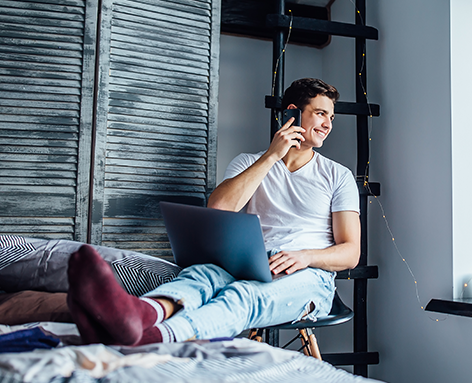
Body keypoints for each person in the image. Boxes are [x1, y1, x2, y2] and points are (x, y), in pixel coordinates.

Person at [67, 78, 360, 346]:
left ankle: (152, 338)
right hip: (253, 266)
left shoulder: (337, 175)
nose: (328, 124)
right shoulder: (250, 162)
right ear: (293, 113)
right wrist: (272, 156)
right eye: (321, 113)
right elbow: (220, 208)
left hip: (309, 275)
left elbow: (350, 253)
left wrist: (305, 256)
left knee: (244, 296)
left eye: (331, 117)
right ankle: (137, 315)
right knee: (200, 276)